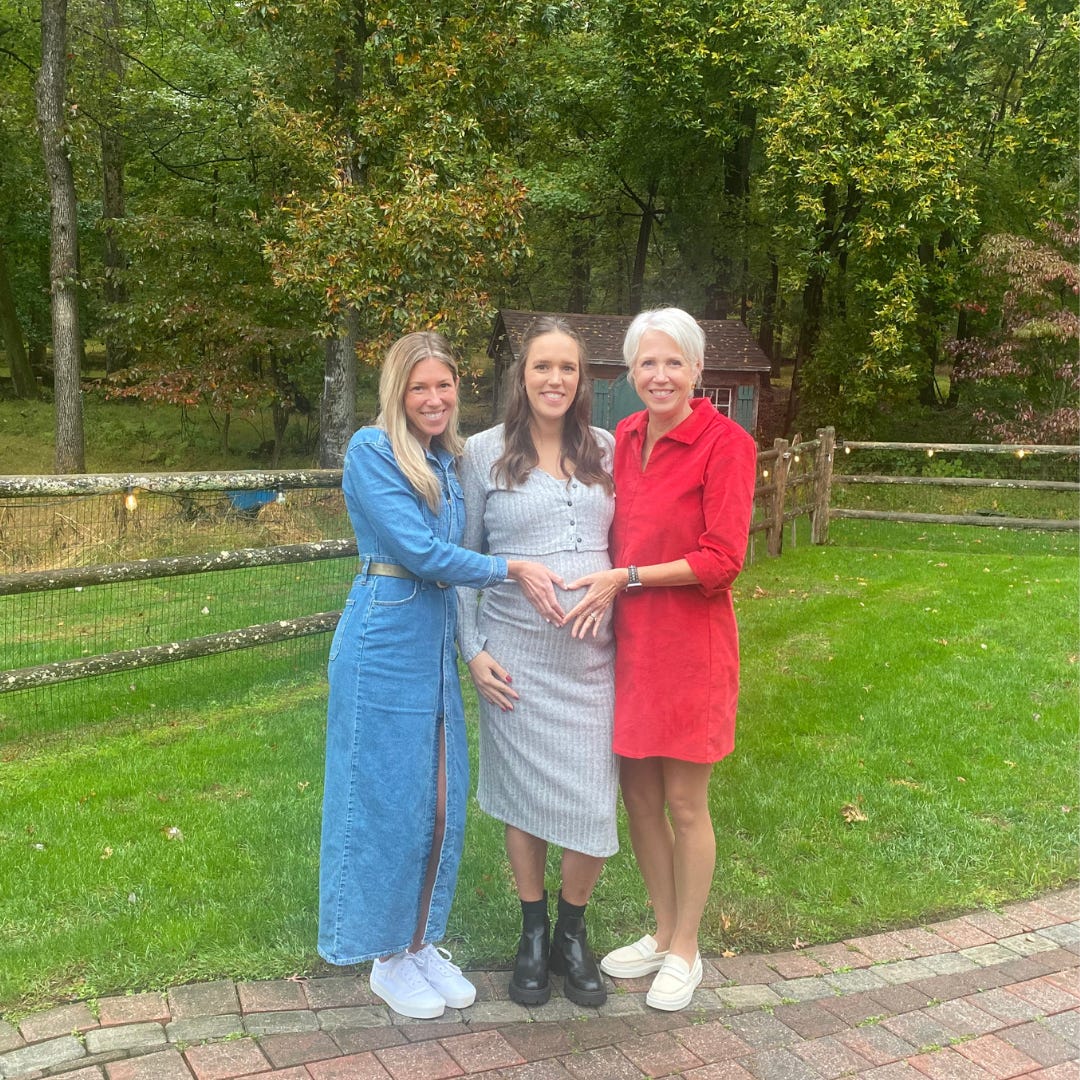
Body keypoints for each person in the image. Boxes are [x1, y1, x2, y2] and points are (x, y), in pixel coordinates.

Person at [318, 331, 565, 1021]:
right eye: (419, 386)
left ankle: (422, 941)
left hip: (430, 639)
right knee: (386, 801)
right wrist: (510, 568)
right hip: (383, 637)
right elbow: (423, 552)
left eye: (444, 385)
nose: (433, 398)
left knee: (438, 799)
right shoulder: (372, 450)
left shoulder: (451, 460)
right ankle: (384, 955)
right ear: (398, 391)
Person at [565, 307, 757, 1012]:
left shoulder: (727, 442)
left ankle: (687, 948)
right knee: (638, 799)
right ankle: (661, 928)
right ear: (630, 372)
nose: (660, 375)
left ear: (698, 370)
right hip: (632, 647)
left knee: (683, 802)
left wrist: (631, 577)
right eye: (648, 363)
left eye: (674, 362)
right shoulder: (624, 436)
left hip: (692, 648)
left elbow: (723, 558)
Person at [457, 316, 618, 1007]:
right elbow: (463, 562)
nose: (556, 379)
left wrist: (619, 586)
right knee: (522, 800)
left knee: (593, 801)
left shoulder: (606, 450)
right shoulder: (483, 454)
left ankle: (572, 935)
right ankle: (532, 930)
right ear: (520, 379)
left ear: (582, 380)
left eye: (568, 369)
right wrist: (474, 652)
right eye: (542, 367)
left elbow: (631, 544)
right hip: (515, 659)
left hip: (592, 666)